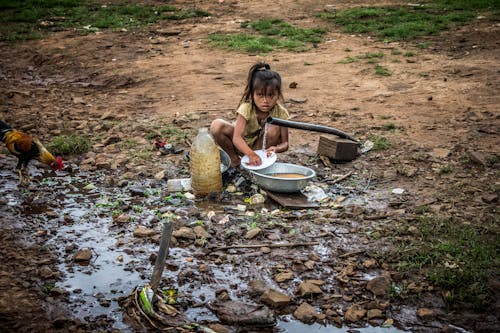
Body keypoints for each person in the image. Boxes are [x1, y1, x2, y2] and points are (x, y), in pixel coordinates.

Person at [210, 62, 289, 168]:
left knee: (274, 127)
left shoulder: (281, 113)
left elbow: (285, 144)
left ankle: (260, 164)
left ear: (278, 94)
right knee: (217, 125)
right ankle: (234, 160)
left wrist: (276, 149)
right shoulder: (246, 108)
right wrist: (251, 154)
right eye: (260, 95)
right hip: (242, 146)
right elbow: (237, 139)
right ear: (252, 94)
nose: (265, 100)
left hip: (261, 150)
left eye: (271, 95)